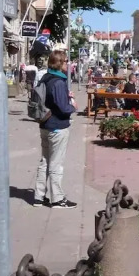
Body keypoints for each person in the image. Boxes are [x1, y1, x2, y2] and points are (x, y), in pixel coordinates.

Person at [33, 50, 77, 209]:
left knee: (45, 161)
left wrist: (65, 95)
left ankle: (39, 197)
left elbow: (49, 99)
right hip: (57, 126)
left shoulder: (46, 77)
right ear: (59, 63)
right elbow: (63, 107)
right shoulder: (59, 82)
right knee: (56, 163)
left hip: (45, 124)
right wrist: (73, 106)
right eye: (65, 61)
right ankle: (57, 199)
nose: (68, 64)